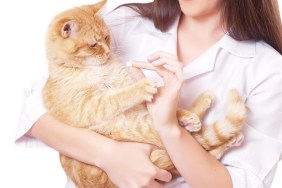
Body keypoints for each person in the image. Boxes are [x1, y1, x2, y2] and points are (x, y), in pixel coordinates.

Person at [15, 0, 282, 187]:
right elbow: (36, 108)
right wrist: (109, 156)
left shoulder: (268, 68)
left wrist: (169, 128)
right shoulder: (122, 23)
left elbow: (241, 183)